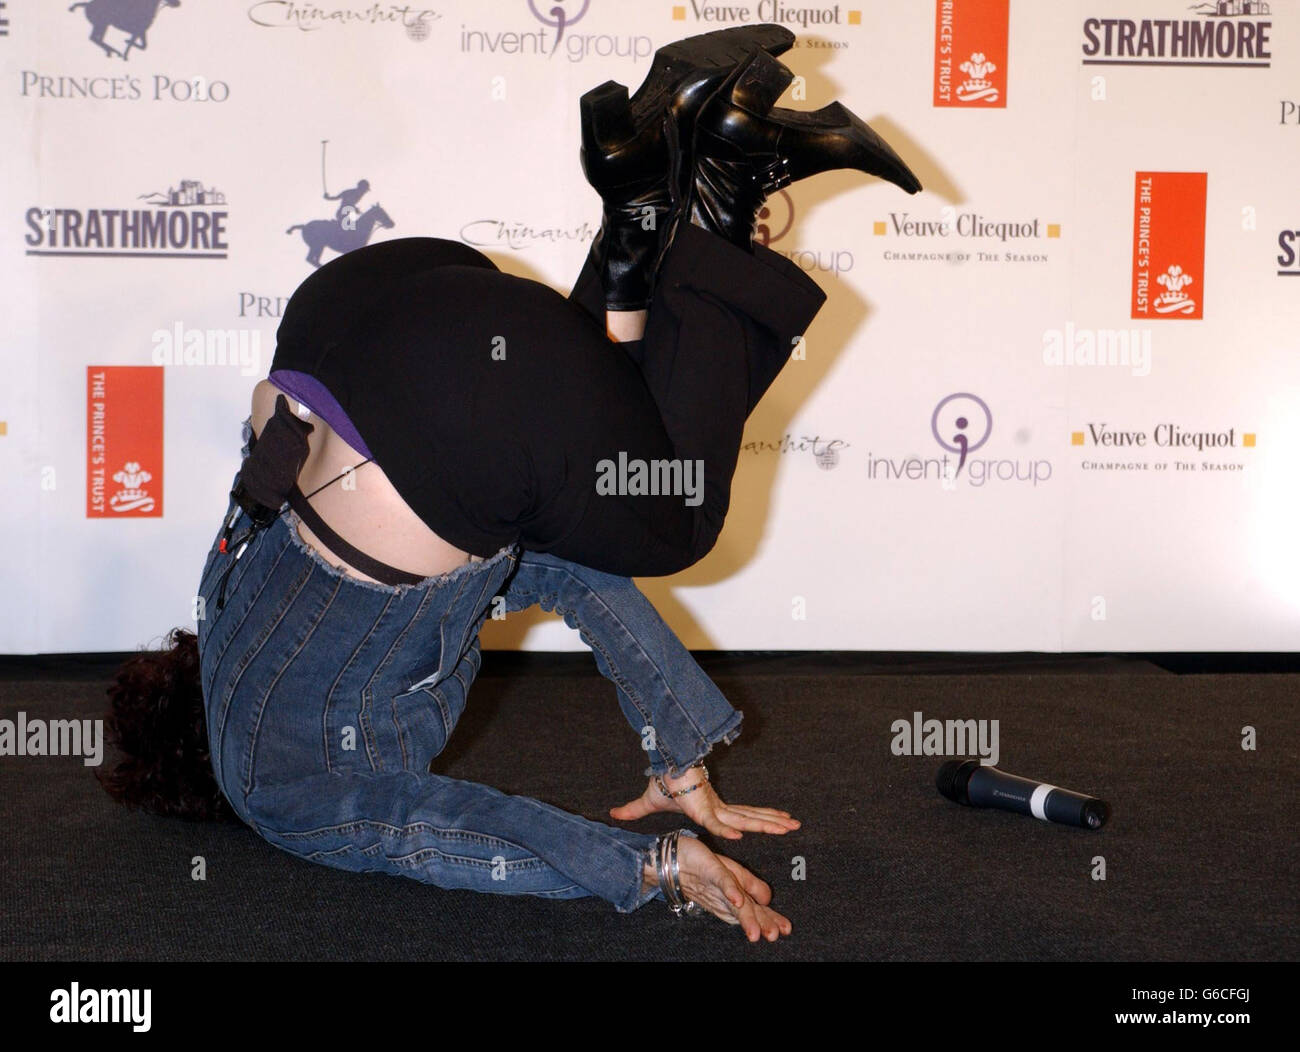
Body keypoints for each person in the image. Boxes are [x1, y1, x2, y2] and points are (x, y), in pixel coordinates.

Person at [99, 25, 921, 942]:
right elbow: (572, 569)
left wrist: (649, 868)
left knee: (676, 514)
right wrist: (674, 754)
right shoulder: (228, 601)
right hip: (364, 314)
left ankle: (723, 185)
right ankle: (638, 189)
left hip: (431, 428)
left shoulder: (271, 790)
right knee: (591, 449)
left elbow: (440, 831)